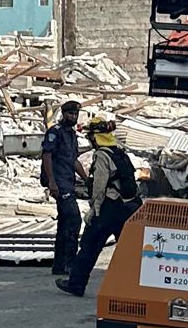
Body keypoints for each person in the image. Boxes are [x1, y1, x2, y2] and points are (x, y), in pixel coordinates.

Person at [58, 119, 142, 297]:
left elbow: (99, 187)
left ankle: (76, 284)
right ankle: (135, 288)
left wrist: (93, 211)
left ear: (95, 138)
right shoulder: (119, 152)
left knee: (89, 246)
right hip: (128, 207)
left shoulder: (102, 155)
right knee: (130, 251)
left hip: (110, 208)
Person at [42, 100, 87, 276]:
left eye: (75, 114)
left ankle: (59, 265)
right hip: (60, 183)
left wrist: (85, 178)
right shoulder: (55, 132)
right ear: (63, 113)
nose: (73, 117)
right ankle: (69, 263)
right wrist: (51, 181)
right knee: (74, 220)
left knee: (64, 223)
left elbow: (74, 160)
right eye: (70, 114)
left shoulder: (71, 134)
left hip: (68, 181)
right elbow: (47, 155)